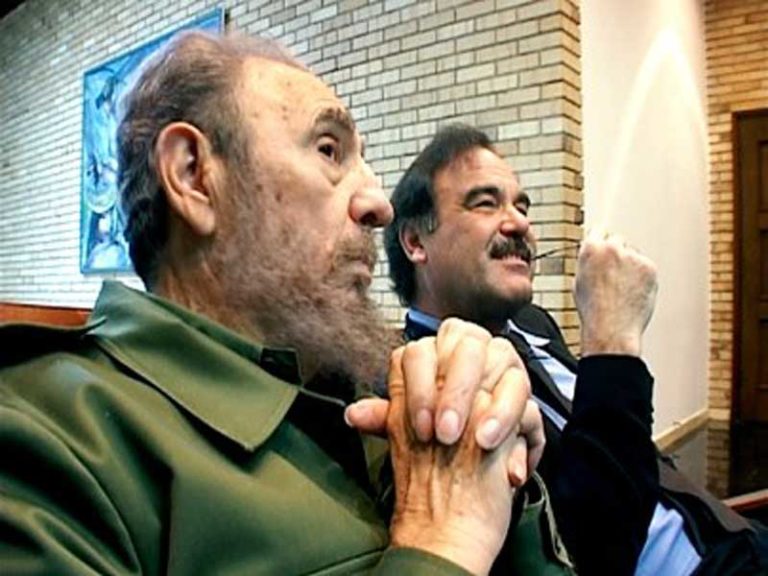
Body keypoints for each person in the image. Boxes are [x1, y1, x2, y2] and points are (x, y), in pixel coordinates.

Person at [0, 33, 559, 575]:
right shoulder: (48, 445)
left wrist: (496, 470)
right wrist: (442, 545)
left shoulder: (379, 395)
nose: (378, 204)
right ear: (194, 176)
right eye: (329, 150)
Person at [384, 123, 768, 575]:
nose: (520, 223)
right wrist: (612, 343)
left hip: (724, 535)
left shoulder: (532, 323)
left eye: (521, 206)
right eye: (485, 203)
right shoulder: (426, 384)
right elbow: (594, 555)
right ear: (415, 242)